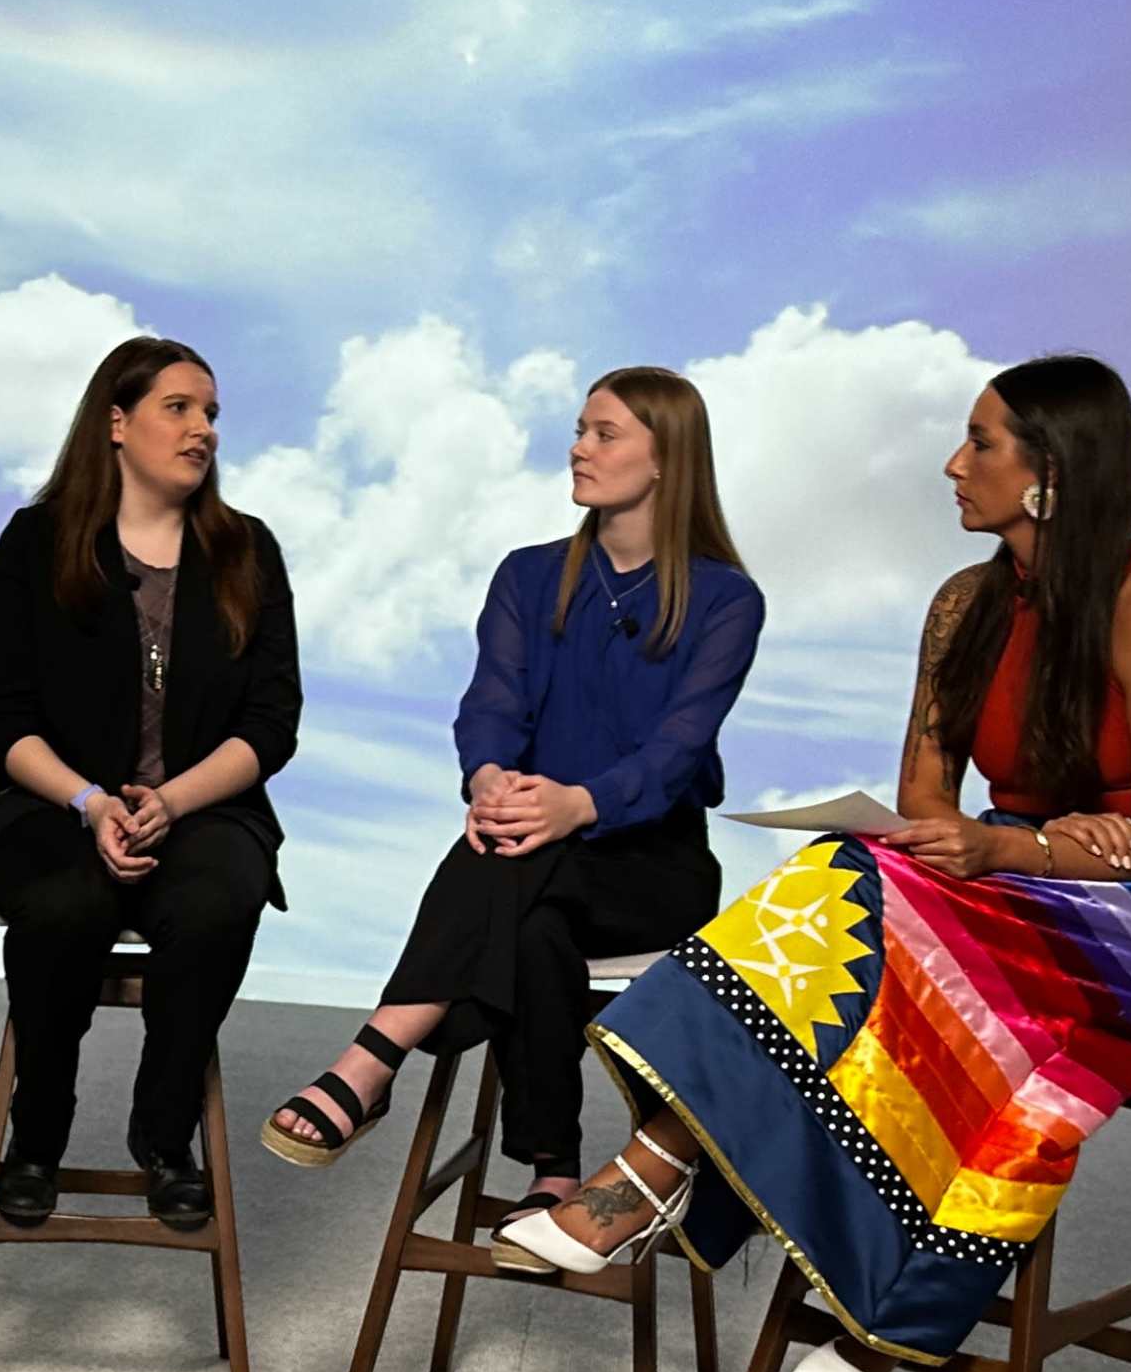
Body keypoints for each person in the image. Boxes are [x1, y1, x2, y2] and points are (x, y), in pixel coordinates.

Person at [499, 355, 1131, 1372]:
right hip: (1009, 877)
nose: (953, 463)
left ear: (1052, 474)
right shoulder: (961, 605)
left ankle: (664, 1180)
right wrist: (999, 845)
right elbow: (927, 800)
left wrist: (1019, 847)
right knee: (851, 873)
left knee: (872, 919)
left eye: (980, 444)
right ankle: (715, 1197)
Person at [260, 369, 762, 1267]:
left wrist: (577, 802)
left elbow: (679, 749)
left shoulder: (727, 600)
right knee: (528, 913)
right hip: (533, 846)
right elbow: (489, 704)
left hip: (653, 863)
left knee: (516, 864)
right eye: (580, 430)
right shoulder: (529, 577)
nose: (579, 447)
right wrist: (490, 777)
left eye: (605, 434)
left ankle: (373, 1060)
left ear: (665, 458)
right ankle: (554, 1177)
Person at [0, 337, 301, 1233]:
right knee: (61, 905)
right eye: (179, 408)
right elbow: (1, 719)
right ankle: (36, 1134)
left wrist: (172, 800)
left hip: (205, 808)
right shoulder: (37, 542)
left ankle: (164, 1134)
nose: (202, 431)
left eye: (212, 414)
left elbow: (271, 725)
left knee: (218, 899)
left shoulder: (246, 551)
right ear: (116, 423)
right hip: (52, 804)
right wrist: (92, 803)